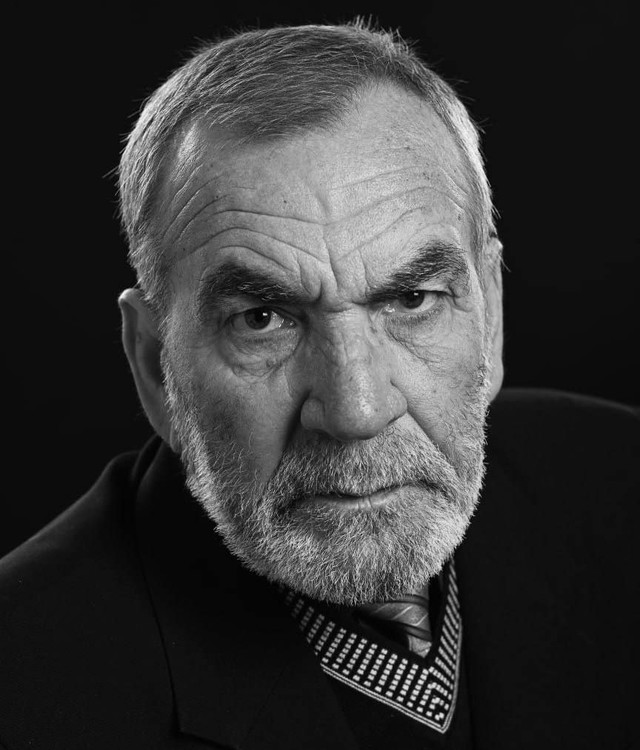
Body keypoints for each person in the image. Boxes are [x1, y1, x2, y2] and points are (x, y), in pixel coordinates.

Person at [0, 21, 637, 750]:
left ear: (488, 313)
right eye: (263, 320)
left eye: (412, 300)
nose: (357, 411)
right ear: (154, 364)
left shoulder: (621, 484)